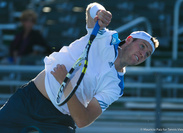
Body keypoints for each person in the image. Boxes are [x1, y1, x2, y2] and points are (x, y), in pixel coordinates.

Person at [0, 2, 159, 133]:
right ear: (129, 40)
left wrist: (66, 84)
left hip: (58, 121)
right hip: (29, 99)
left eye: (147, 54)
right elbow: (92, 9)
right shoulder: (106, 38)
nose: (143, 53)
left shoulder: (116, 87)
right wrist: (100, 11)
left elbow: (83, 120)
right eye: (143, 46)